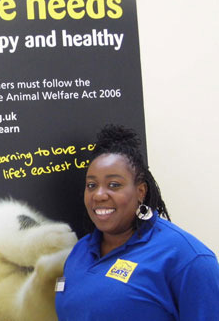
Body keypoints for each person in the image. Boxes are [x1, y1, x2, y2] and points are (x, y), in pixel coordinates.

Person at [55, 125, 219, 321]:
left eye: (114, 185)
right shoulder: (80, 251)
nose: (98, 195)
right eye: (91, 185)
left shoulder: (187, 259)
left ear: (141, 191)